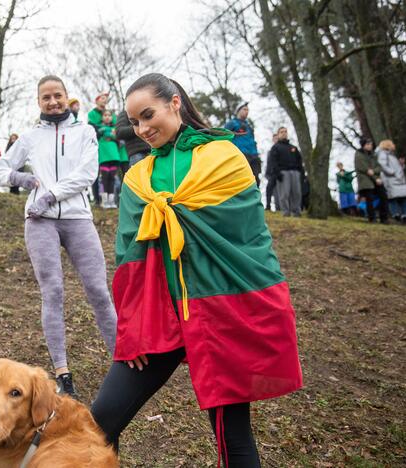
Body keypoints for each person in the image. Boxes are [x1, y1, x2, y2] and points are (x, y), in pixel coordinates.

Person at [90, 73, 302, 467]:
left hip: (220, 312)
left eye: (148, 114)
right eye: (134, 121)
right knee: (97, 426)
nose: (142, 128)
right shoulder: (138, 177)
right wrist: (131, 328)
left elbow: (247, 237)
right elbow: (128, 260)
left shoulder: (223, 156)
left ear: (175, 103)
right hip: (160, 317)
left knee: (233, 439)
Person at [0, 75, 118, 397]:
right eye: (46, 97)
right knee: (54, 291)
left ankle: (122, 361)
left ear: (66, 97)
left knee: (98, 290)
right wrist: (19, 177)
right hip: (39, 222)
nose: (53, 102)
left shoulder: (85, 132)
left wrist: (53, 194)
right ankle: (62, 372)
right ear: (39, 102)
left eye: (57, 95)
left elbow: (88, 174)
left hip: (77, 217)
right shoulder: (31, 136)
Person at [267, 127, 305, 217]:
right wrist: (278, 174)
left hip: (295, 173)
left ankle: (296, 212)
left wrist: (301, 173)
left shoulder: (293, 148)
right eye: (281, 132)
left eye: (285, 132)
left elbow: (300, 161)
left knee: (297, 193)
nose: (284, 133)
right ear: (278, 134)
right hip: (283, 173)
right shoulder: (275, 148)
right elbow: (273, 162)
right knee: (284, 194)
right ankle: (285, 212)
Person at [224, 102, 261, 186]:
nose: (246, 112)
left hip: (254, 155)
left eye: (248, 110)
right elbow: (224, 136)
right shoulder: (232, 123)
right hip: (241, 154)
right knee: (242, 179)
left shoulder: (249, 126)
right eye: (244, 109)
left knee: (256, 180)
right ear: (238, 111)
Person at [355, 137, 389, 223]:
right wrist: (375, 177)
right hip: (365, 180)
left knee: (383, 196)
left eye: (370, 144)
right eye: (368, 144)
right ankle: (372, 217)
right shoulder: (359, 154)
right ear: (363, 145)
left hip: (375, 179)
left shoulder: (373, 155)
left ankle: (384, 218)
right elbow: (364, 169)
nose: (370, 146)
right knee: (369, 198)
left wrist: (374, 172)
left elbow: (378, 167)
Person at [376, 140, 406, 222]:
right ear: (387, 145)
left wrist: (401, 166)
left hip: (399, 180)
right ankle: (396, 214)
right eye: (392, 143)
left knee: (402, 197)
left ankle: (403, 214)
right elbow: (383, 165)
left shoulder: (391, 155)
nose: (394, 145)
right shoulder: (383, 154)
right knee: (392, 198)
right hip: (391, 180)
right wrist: (393, 172)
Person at [97, 109, 121, 209]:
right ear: (102, 117)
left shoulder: (115, 128)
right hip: (103, 157)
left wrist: (113, 135)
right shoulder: (98, 129)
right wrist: (101, 132)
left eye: (109, 115)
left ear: (112, 117)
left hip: (114, 156)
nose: (107, 117)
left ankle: (111, 202)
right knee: (105, 178)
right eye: (105, 115)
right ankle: (104, 201)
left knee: (112, 178)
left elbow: (119, 141)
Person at [264, 133, 279, 210]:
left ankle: (279, 207)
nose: (276, 140)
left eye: (277, 138)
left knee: (279, 191)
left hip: (279, 174)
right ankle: (268, 205)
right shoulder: (270, 151)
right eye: (275, 138)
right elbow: (268, 163)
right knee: (269, 189)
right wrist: (267, 173)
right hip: (271, 174)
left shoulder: (280, 149)